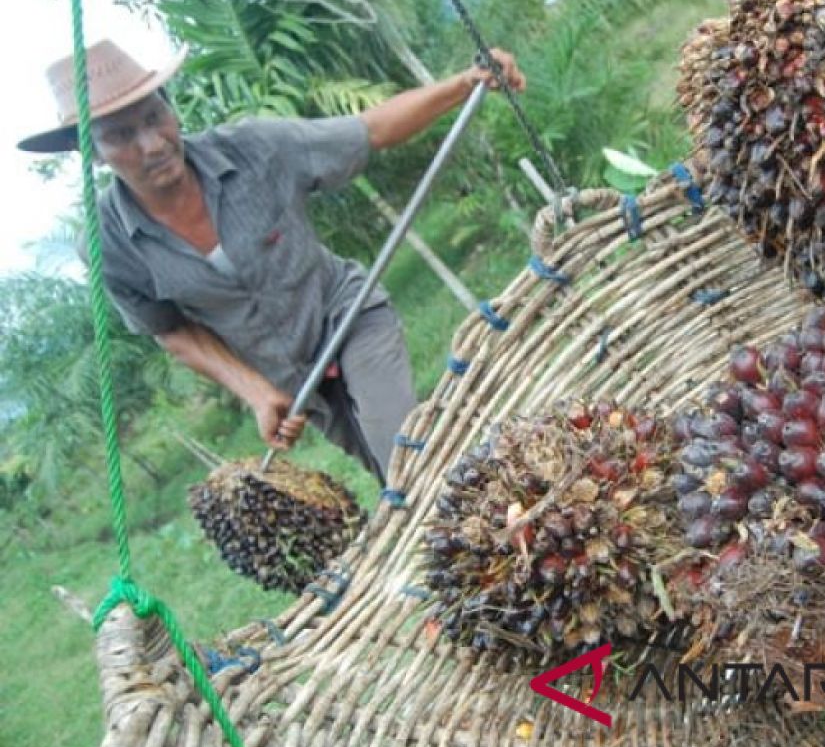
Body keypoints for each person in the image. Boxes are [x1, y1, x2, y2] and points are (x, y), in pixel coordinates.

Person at [18, 40, 526, 484]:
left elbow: (368, 131)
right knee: (392, 480)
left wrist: (465, 82)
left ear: (170, 110)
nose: (150, 144)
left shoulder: (254, 149)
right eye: (120, 136)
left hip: (346, 316)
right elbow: (170, 331)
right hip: (295, 380)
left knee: (405, 452)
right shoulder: (107, 245)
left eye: (154, 117)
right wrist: (255, 391)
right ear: (92, 154)